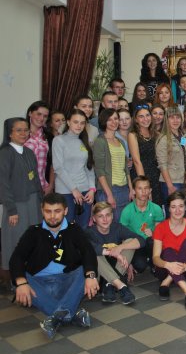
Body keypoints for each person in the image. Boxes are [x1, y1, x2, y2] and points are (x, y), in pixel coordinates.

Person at [10, 193, 98, 338]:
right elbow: (17, 258)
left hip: (66, 283)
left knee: (86, 271)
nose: (52, 216)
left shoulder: (73, 229)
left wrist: (90, 276)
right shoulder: (33, 231)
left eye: (57, 211)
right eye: (48, 211)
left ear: (65, 211)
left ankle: (57, 317)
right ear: (42, 210)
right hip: (40, 285)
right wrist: (21, 283)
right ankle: (70, 313)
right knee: (19, 279)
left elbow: (88, 252)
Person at [0, 118, 44, 283]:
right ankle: (16, 279)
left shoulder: (28, 152)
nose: (23, 133)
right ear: (10, 133)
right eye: (19, 130)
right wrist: (11, 210)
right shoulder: (5, 153)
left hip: (33, 203)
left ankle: (32, 276)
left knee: (33, 239)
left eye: (26, 130)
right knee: (16, 241)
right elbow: (3, 185)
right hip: (16, 206)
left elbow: (36, 180)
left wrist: (41, 202)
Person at [86, 202, 142, 305]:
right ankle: (121, 286)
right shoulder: (89, 232)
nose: (105, 219)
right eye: (100, 216)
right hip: (99, 273)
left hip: (117, 267)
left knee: (130, 241)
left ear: (112, 216)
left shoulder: (117, 227)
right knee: (92, 252)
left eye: (108, 215)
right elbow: (88, 248)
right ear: (94, 219)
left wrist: (120, 247)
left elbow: (140, 240)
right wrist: (114, 253)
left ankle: (109, 284)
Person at [152, 191, 186, 309]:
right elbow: (155, 258)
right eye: (173, 207)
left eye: (181, 206)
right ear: (168, 209)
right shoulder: (160, 227)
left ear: (185, 208)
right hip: (164, 270)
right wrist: (168, 265)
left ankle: (166, 282)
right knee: (168, 251)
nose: (177, 210)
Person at [52, 110, 95, 229]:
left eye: (82, 123)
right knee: (66, 229)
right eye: (76, 122)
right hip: (66, 192)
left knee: (83, 229)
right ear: (68, 122)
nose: (79, 126)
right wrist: (74, 190)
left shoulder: (84, 141)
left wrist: (92, 189)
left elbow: (89, 168)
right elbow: (58, 168)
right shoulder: (59, 140)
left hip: (85, 192)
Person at [93, 109, 133, 222]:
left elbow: (126, 168)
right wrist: (109, 194)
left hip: (123, 189)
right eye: (109, 119)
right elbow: (99, 171)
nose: (114, 122)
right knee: (110, 226)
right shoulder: (100, 141)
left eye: (116, 118)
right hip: (109, 190)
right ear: (103, 121)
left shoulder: (120, 142)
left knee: (122, 225)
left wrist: (130, 188)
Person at [120, 176, 165, 274]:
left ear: (150, 190)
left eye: (146, 188)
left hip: (151, 243)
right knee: (140, 266)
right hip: (136, 245)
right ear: (134, 191)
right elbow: (122, 237)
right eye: (140, 188)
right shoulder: (127, 211)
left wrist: (153, 233)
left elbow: (161, 233)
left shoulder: (156, 208)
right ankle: (146, 261)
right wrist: (128, 262)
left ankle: (155, 264)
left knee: (152, 241)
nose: (143, 192)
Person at [155, 107, 186, 215]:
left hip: (185, 181)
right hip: (172, 182)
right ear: (167, 120)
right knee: (172, 214)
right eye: (172, 118)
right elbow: (162, 165)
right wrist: (170, 186)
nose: (175, 120)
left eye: (178, 117)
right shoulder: (163, 139)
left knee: (184, 213)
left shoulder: (185, 136)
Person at [129, 105, 163, 206]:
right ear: (135, 119)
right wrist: (144, 186)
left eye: (147, 115)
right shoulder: (133, 135)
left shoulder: (156, 134)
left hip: (156, 176)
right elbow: (136, 161)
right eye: (141, 116)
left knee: (156, 208)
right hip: (141, 176)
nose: (145, 119)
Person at [24, 101, 51, 194]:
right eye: (38, 114)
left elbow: (52, 163)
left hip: (42, 186)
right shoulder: (20, 133)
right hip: (23, 185)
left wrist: (50, 186)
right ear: (30, 113)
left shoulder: (48, 136)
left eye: (45, 116)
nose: (41, 118)